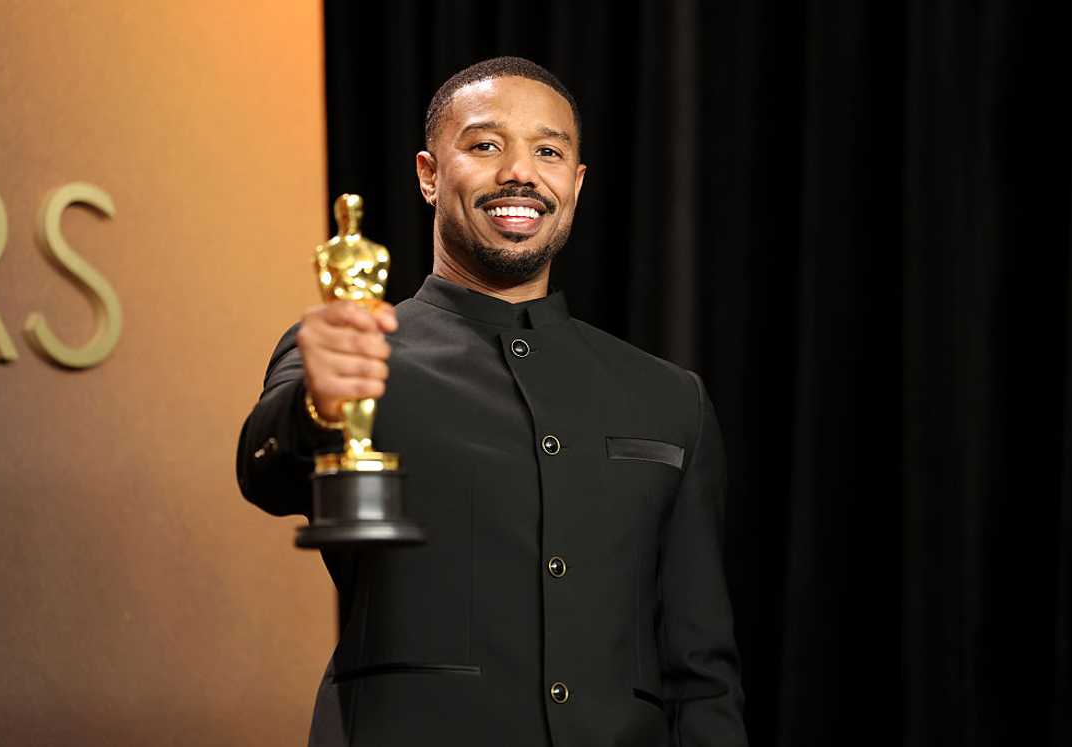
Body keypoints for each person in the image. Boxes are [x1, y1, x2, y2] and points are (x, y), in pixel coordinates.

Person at [237, 56, 748, 747]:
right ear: (428, 174)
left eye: (548, 151)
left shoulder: (669, 398)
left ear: (576, 182)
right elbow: (265, 468)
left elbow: (701, 672)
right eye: (485, 145)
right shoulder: (353, 351)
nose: (520, 172)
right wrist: (319, 405)